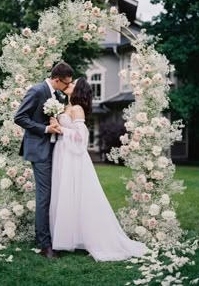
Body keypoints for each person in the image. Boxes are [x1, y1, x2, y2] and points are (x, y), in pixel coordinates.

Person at [49, 77, 148, 261]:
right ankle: (68, 236)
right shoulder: (64, 106)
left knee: (78, 194)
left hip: (73, 156)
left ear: (77, 89)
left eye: (72, 84)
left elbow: (81, 137)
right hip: (62, 152)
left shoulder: (77, 109)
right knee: (64, 192)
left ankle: (86, 236)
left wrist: (62, 130)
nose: (68, 85)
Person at [14, 62, 74, 259]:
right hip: (39, 150)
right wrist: (46, 129)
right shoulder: (37, 90)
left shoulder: (56, 94)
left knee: (52, 194)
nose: (67, 88)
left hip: (53, 149)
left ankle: (54, 236)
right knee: (44, 196)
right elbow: (20, 117)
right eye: (66, 84)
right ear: (57, 80)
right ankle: (45, 244)